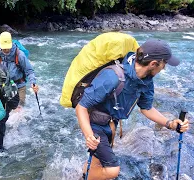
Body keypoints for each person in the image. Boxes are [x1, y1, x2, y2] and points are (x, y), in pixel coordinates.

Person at [75, 39, 190, 180]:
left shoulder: (146, 81)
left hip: (111, 124)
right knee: (112, 170)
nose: (164, 68)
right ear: (153, 64)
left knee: (98, 160)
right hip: (95, 124)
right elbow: (82, 106)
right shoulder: (113, 76)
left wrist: (170, 124)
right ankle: (84, 177)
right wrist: (88, 135)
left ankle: (85, 174)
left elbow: (146, 108)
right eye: (164, 64)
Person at [0, 31, 39, 107]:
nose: (6, 50)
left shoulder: (20, 55)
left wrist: (33, 83)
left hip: (19, 85)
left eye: (8, 47)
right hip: (5, 86)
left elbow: (29, 70)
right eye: (4, 47)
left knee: (19, 109)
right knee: (4, 110)